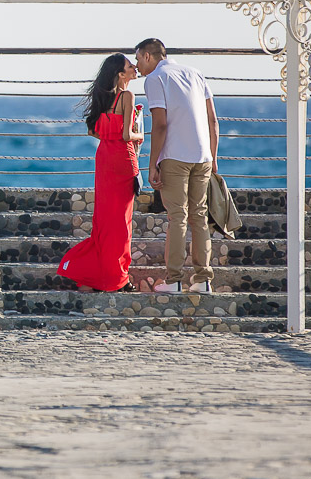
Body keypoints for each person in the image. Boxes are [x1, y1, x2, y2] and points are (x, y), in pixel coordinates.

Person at [135, 38, 219, 293]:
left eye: (138, 59)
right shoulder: (195, 73)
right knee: (199, 217)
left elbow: (160, 124)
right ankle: (203, 280)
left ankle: (173, 281)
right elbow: (213, 120)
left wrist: (152, 164)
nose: (137, 66)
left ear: (149, 56)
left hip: (175, 157)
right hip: (202, 156)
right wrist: (213, 157)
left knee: (177, 218)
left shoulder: (155, 79)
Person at [57, 54, 144, 292]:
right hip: (123, 160)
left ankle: (101, 273)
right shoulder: (127, 96)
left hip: (104, 159)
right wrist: (141, 135)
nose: (134, 67)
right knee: (122, 223)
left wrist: (111, 133)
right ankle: (118, 278)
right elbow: (127, 136)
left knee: (105, 221)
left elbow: (94, 131)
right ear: (121, 74)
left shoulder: (103, 98)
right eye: (130, 66)